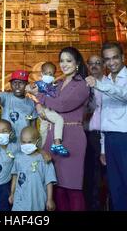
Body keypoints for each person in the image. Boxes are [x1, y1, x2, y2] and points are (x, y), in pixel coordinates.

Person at [86, 42, 127, 211]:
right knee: (116, 189)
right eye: (107, 59)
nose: (111, 62)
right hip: (110, 140)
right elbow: (104, 115)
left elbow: (126, 95)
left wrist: (99, 84)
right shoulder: (106, 80)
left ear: (123, 58)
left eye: (115, 57)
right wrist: (103, 148)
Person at [34, 47, 90, 211]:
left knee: (73, 187)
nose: (64, 64)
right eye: (62, 61)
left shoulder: (82, 84)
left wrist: (40, 97)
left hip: (72, 137)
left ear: (77, 63)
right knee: (55, 186)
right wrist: (39, 103)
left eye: (69, 60)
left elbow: (62, 105)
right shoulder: (57, 83)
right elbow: (45, 103)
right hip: (52, 136)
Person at [8, 126, 56, 211]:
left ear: (37, 141)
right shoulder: (18, 157)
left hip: (37, 200)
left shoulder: (44, 159)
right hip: (20, 200)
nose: (26, 144)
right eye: (24, 142)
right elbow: (15, 176)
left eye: (30, 142)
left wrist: (49, 199)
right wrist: (12, 193)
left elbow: (49, 181)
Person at [27, 62, 69, 156]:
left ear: (54, 75)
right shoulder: (39, 84)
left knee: (43, 131)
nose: (48, 76)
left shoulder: (53, 86)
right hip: (44, 109)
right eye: (46, 73)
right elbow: (30, 87)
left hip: (48, 110)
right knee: (59, 120)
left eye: (51, 74)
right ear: (41, 74)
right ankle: (57, 143)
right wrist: (31, 86)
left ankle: (39, 149)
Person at [83, 55, 107, 211]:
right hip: (85, 134)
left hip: (103, 135)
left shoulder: (109, 84)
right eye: (91, 63)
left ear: (103, 65)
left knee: (103, 175)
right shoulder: (84, 85)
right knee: (88, 174)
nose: (94, 66)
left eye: (98, 63)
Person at [0, 70, 38, 144]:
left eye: (21, 83)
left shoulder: (31, 103)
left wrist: (34, 142)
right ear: (10, 84)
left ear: (26, 85)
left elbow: (33, 126)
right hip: (6, 142)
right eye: (14, 83)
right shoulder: (5, 97)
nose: (17, 86)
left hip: (24, 142)